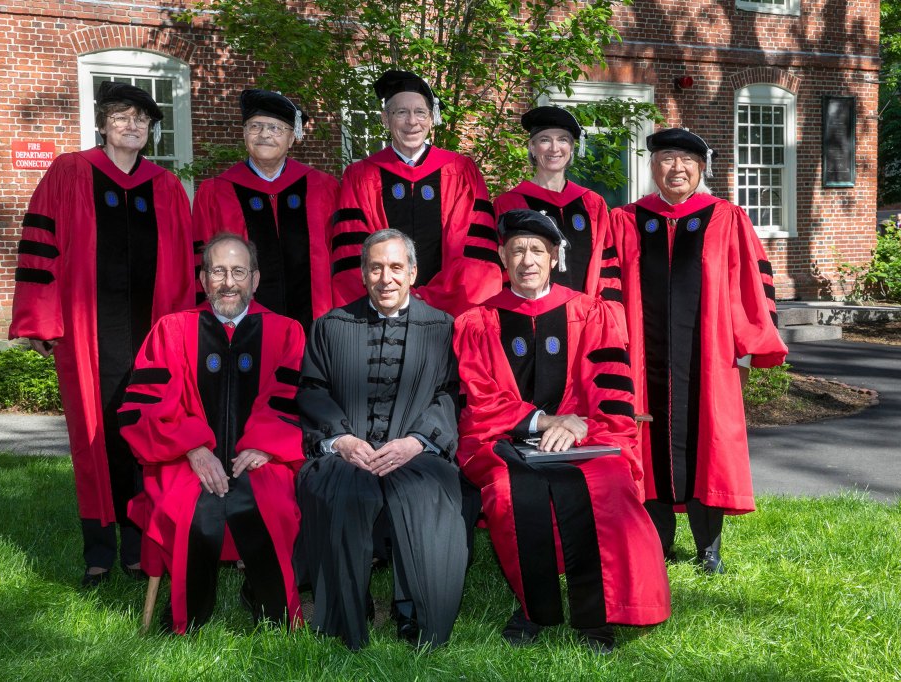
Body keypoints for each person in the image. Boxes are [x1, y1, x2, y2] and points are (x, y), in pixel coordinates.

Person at [453, 209, 671, 653]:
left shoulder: (591, 313)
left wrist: (583, 425)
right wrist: (544, 421)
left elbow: (610, 393)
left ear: (554, 256)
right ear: (502, 257)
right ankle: (536, 607)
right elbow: (477, 399)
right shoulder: (476, 322)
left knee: (605, 485)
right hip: (505, 441)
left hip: (584, 436)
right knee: (510, 490)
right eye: (517, 251)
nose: (527, 260)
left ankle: (597, 613)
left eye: (537, 250)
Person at [9, 81, 195, 586]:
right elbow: (40, 247)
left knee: (147, 433)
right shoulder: (70, 172)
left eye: (141, 120)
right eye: (121, 117)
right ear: (104, 124)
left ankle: (138, 546)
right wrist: (41, 321)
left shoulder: (167, 187)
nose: (132, 126)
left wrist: (183, 334)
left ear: (151, 131)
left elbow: (185, 266)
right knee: (93, 438)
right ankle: (98, 549)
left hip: (153, 336)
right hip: (87, 337)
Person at [602, 128, 788, 573]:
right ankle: (656, 544)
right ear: (652, 167)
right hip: (643, 361)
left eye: (687, 160)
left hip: (709, 360)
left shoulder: (725, 217)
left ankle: (709, 549)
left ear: (701, 168)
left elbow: (750, 283)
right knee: (646, 443)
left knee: (710, 445)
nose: (676, 168)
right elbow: (606, 289)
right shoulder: (625, 220)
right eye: (666, 158)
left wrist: (749, 345)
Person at [118, 233, 306, 634]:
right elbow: (143, 408)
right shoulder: (171, 331)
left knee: (267, 503)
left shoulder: (287, 332)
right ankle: (189, 618)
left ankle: (271, 613)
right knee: (194, 510)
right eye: (217, 271)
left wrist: (264, 445)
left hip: (258, 456)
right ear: (202, 279)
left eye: (238, 271)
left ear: (255, 279)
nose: (228, 281)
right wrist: (192, 448)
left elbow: (292, 400)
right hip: (184, 459)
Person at [295, 229, 467, 650]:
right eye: (376, 267)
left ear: (412, 272)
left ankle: (415, 613)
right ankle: (347, 611)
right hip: (348, 453)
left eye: (395, 267)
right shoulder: (331, 326)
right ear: (363, 273)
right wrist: (342, 441)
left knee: (423, 495)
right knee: (342, 494)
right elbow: (312, 391)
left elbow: (450, 394)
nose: (385, 278)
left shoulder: (441, 328)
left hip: (414, 451)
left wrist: (417, 441)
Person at [329, 69, 501, 317]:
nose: (412, 122)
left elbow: (476, 253)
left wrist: (430, 297)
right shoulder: (360, 176)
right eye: (401, 112)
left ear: (432, 119)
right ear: (385, 119)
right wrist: (392, 297)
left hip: (448, 313)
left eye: (420, 112)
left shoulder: (461, 172)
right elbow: (351, 253)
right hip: (381, 309)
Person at [192, 89, 338, 330]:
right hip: (238, 330)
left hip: (317, 327)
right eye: (255, 127)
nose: (264, 135)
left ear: (292, 138)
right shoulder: (215, 193)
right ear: (244, 134)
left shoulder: (323, 189)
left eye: (276, 128)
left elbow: (340, 259)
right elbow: (202, 264)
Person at [493, 105, 612, 295]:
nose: (554, 148)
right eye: (545, 140)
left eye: (563, 140)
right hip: (529, 315)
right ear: (532, 147)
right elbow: (502, 268)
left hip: (585, 315)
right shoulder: (510, 203)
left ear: (572, 148)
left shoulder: (592, 203)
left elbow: (606, 265)